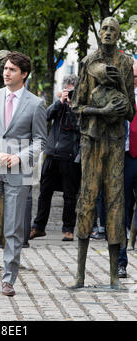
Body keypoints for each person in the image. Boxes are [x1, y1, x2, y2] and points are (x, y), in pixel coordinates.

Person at [0, 51, 47, 296]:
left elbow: (39, 142)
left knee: (13, 228)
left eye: (12, 69)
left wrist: (19, 157)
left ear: (23, 74)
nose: (6, 72)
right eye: (5, 68)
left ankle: (8, 278)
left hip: (18, 171)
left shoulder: (36, 104)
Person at [71, 17, 135, 289]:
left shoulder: (125, 63)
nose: (108, 33)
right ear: (99, 33)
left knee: (116, 202)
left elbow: (131, 111)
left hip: (115, 142)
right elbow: (76, 107)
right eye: (105, 29)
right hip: (92, 141)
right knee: (87, 199)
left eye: (113, 30)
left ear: (119, 35)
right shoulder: (88, 62)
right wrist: (102, 112)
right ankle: (80, 275)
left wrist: (121, 85)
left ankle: (113, 276)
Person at [29, 74, 81, 242]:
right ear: (63, 90)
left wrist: (74, 105)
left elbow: (80, 126)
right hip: (51, 154)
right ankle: (38, 227)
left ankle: (68, 229)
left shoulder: (80, 107)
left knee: (70, 194)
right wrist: (61, 102)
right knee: (44, 192)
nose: (70, 94)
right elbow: (46, 116)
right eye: (68, 90)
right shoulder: (59, 105)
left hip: (70, 155)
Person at [118, 60, 137, 278]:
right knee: (121, 212)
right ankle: (121, 262)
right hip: (122, 158)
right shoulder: (119, 97)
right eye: (130, 76)